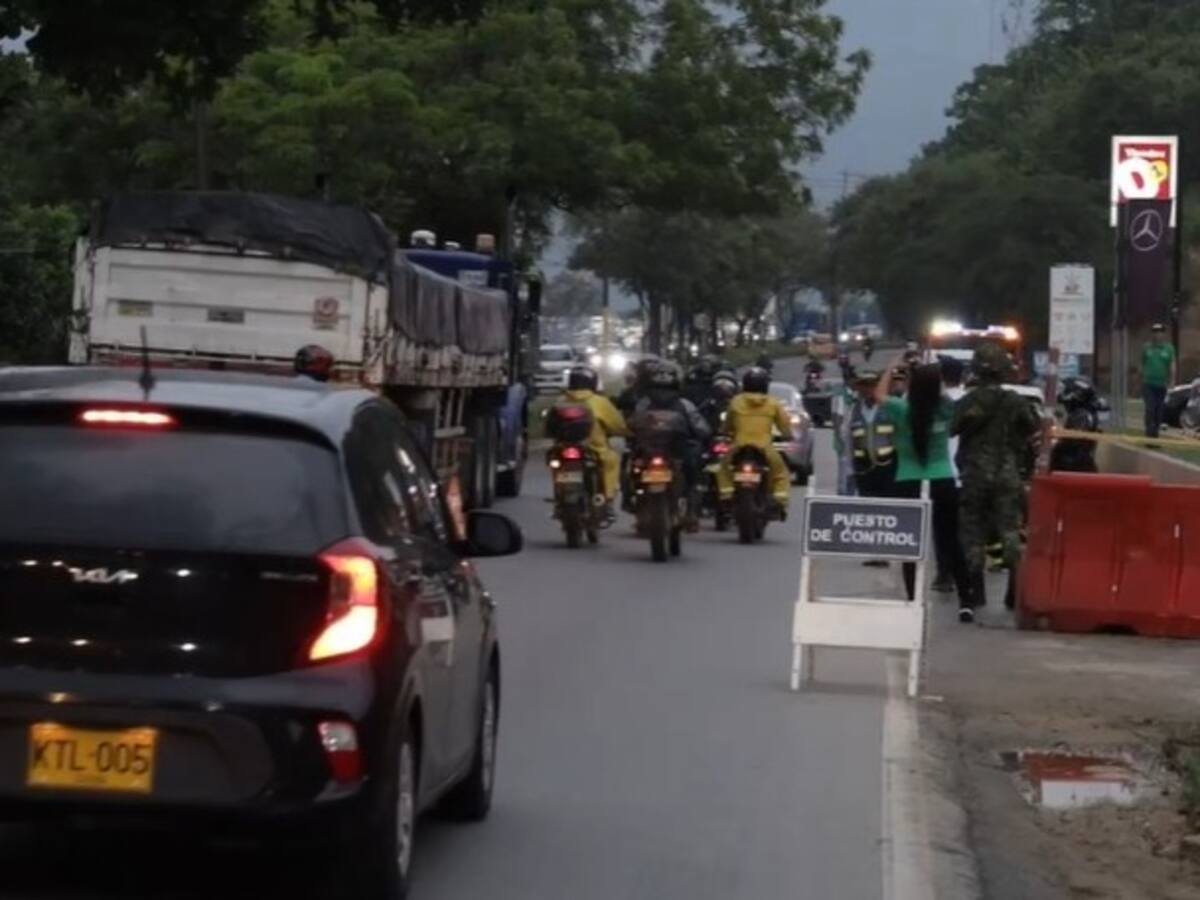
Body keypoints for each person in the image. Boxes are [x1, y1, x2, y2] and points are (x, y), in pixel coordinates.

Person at [876, 359, 973, 619]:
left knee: (910, 544)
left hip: (908, 480)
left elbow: (879, 395)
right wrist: (933, 380)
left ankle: (912, 598)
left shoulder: (901, 409)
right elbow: (942, 394)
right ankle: (966, 600)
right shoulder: (945, 408)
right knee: (951, 541)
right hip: (942, 478)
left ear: (911, 385)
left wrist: (892, 366)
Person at [952, 342, 1040, 613]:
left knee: (972, 532)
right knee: (1011, 531)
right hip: (1007, 473)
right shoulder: (1014, 400)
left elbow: (951, 429)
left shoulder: (968, 401)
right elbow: (1032, 428)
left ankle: (975, 593)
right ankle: (1015, 591)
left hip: (975, 474)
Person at [630, 364, 711, 526]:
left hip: (658, 452)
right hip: (667, 452)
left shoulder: (644, 404)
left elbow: (631, 424)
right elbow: (700, 427)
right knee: (692, 474)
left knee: (633, 471)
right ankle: (690, 511)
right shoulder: (684, 404)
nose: (662, 395)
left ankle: (687, 509)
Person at [717, 367, 794, 516]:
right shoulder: (773, 403)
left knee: (723, 468)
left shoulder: (736, 402)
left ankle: (726, 497)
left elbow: (727, 425)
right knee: (781, 472)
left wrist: (724, 432)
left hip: (738, 447)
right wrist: (787, 435)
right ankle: (779, 502)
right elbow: (784, 425)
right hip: (764, 448)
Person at [557, 365, 630, 522]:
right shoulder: (600, 402)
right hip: (595, 450)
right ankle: (608, 500)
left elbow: (549, 427)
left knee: (557, 467)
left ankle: (559, 497)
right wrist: (628, 432)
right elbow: (618, 425)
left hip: (562, 448)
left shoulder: (560, 402)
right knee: (612, 461)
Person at [931, 356, 967, 593]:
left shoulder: (936, 403)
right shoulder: (969, 402)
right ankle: (966, 578)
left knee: (942, 527)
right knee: (964, 528)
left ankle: (945, 574)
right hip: (967, 475)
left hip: (941, 474)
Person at [1141, 323, 1177, 438]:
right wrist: (1141, 378)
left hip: (1161, 385)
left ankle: (1155, 434)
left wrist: (1172, 381)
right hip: (1148, 384)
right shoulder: (1147, 347)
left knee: (1159, 410)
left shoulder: (1169, 349)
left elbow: (1172, 366)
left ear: (1163, 334)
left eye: (1160, 332)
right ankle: (1149, 433)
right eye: (1155, 332)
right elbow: (1142, 364)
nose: (1157, 335)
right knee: (1150, 408)